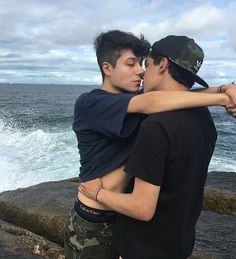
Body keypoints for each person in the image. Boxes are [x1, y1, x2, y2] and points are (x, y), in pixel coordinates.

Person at [64, 30, 236, 259]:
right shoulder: (91, 103)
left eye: (143, 63)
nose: (141, 71)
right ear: (107, 68)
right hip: (94, 215)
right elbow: (153, 101)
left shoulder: (136, 105)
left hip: (118, 213)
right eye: (131, 64)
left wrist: (223, 88)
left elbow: (174, 97)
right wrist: (221, 98)